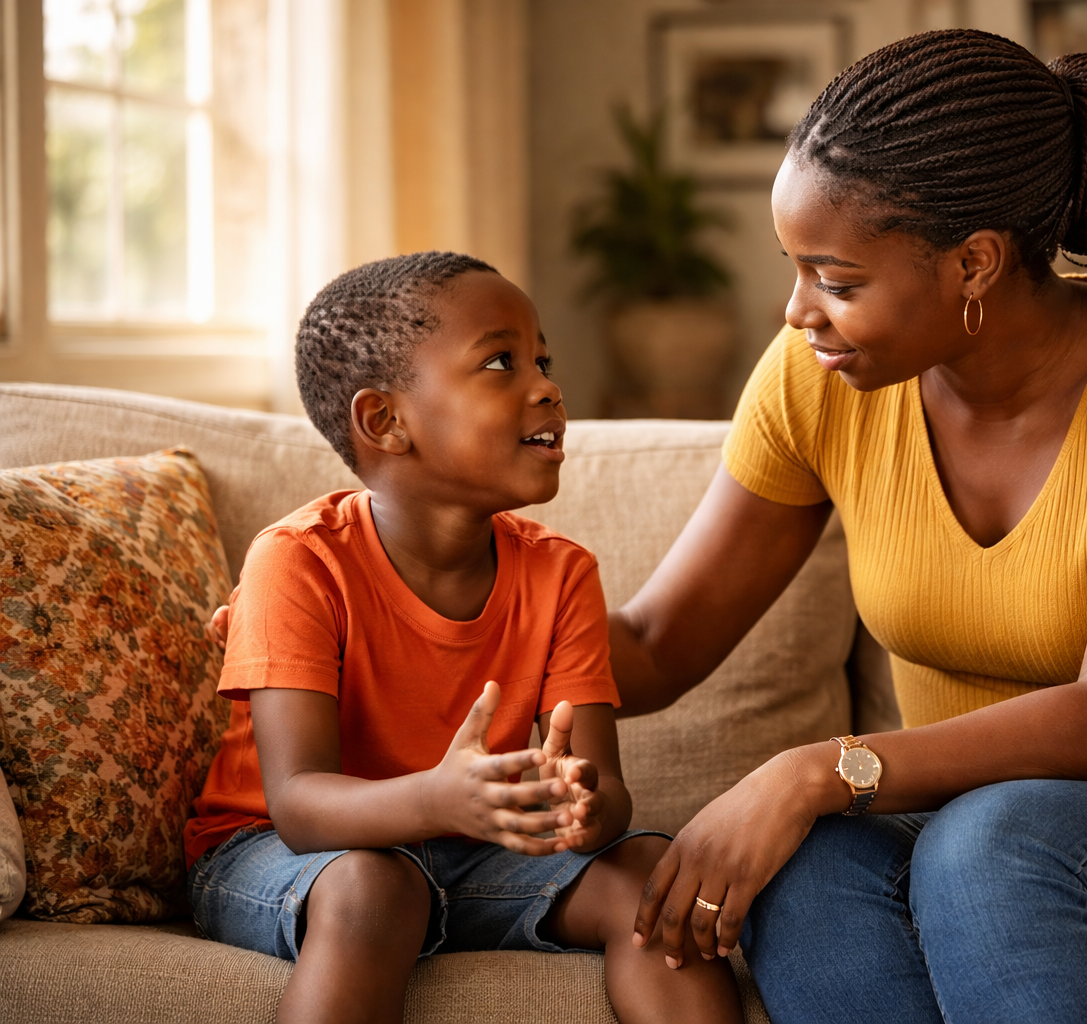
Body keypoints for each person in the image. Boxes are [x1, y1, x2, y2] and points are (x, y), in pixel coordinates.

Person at [605, 31, 1087, 1023]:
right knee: (809, 873)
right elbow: (651, 644)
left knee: (992, 842)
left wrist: (818, 768)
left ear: (974, 263)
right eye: (796, 269)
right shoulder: (814, 378)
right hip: (965, 827)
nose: (796, 311)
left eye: (839, 281)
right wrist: (446, 581)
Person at [185, 252, 741, 1024]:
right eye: (501, 363)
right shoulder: (299, 560)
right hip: (286, 855)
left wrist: (578, 807)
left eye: (543, 359)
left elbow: (607, 790)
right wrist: (439, 797)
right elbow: (299, 806)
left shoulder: (562, 575)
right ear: (385, 421)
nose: (547, 385)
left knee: (650, 873)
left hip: (475, 852)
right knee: (376, 886)